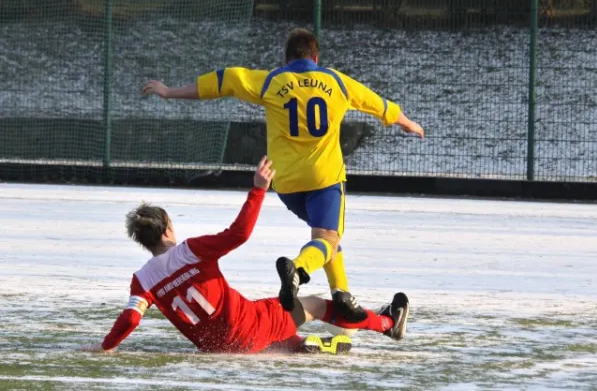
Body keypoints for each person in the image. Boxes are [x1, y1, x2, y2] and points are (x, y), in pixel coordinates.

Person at [141, 28, 423, 322]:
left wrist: (170, 91)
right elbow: (377, 104)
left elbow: (224, 79)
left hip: (286, 182)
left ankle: (341, 293)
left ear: (286, 59)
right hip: (324, 178)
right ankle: (298, 269)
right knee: (326, 239)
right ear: (316, 57)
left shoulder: (273, 81)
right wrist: (406, 122)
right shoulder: (337, 82)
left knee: (325, 239)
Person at [79, 158, 410, 355]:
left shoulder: (143, 279)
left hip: (217, 346)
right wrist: (258, 189)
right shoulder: (190, 251)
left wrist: (105, 347)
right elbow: (240, 233)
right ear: (167, 229)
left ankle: (310, 347)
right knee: (313, 305)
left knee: (274, 335)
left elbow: (131, 319)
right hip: (245, 325)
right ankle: (386, 324)